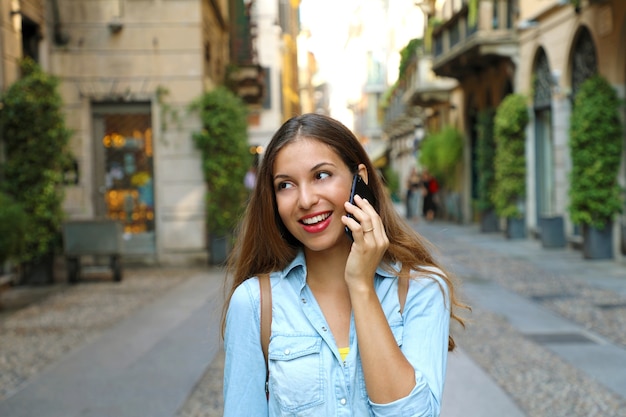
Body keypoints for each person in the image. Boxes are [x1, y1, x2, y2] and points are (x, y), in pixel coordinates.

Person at [222, 113, 467, 416]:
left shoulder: (422, 289)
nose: (306, 199)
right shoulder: (255, 304)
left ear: (359, 180)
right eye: (285, 185)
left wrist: (362, 286)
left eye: (321, 175)